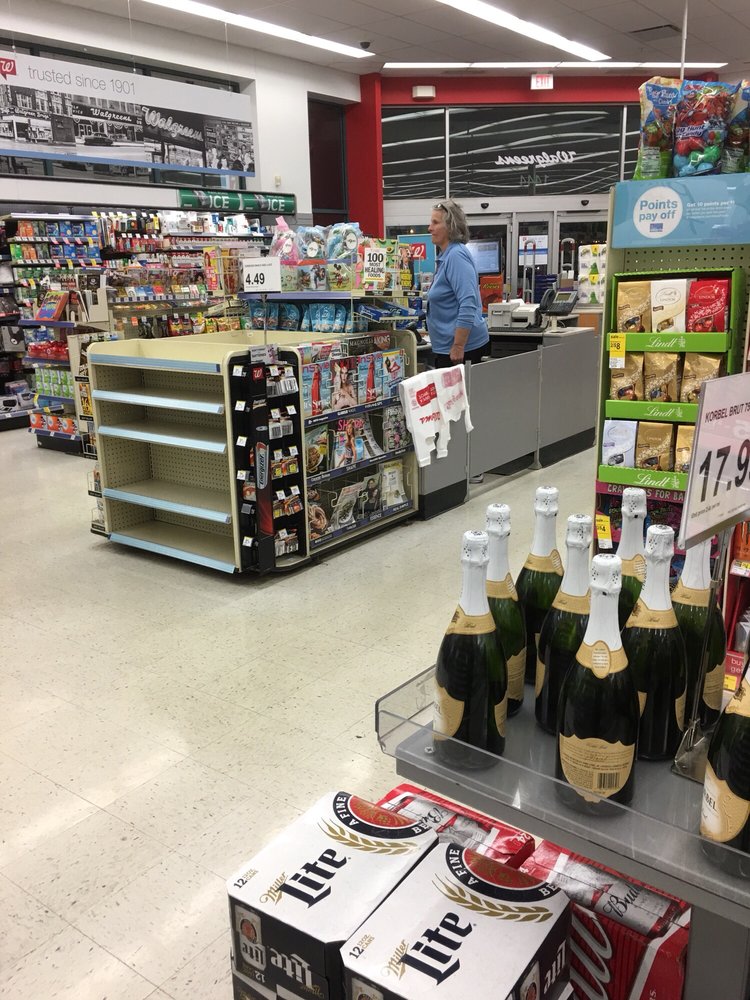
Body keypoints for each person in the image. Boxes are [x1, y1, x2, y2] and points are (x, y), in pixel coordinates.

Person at [426, 199, 489, 368]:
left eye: (435, 223)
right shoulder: (446, 256)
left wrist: (459, 345)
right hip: (449, 348)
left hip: (461, 350)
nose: (429, 228)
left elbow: (468, 302)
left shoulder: (456, 256)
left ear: (450, 227)